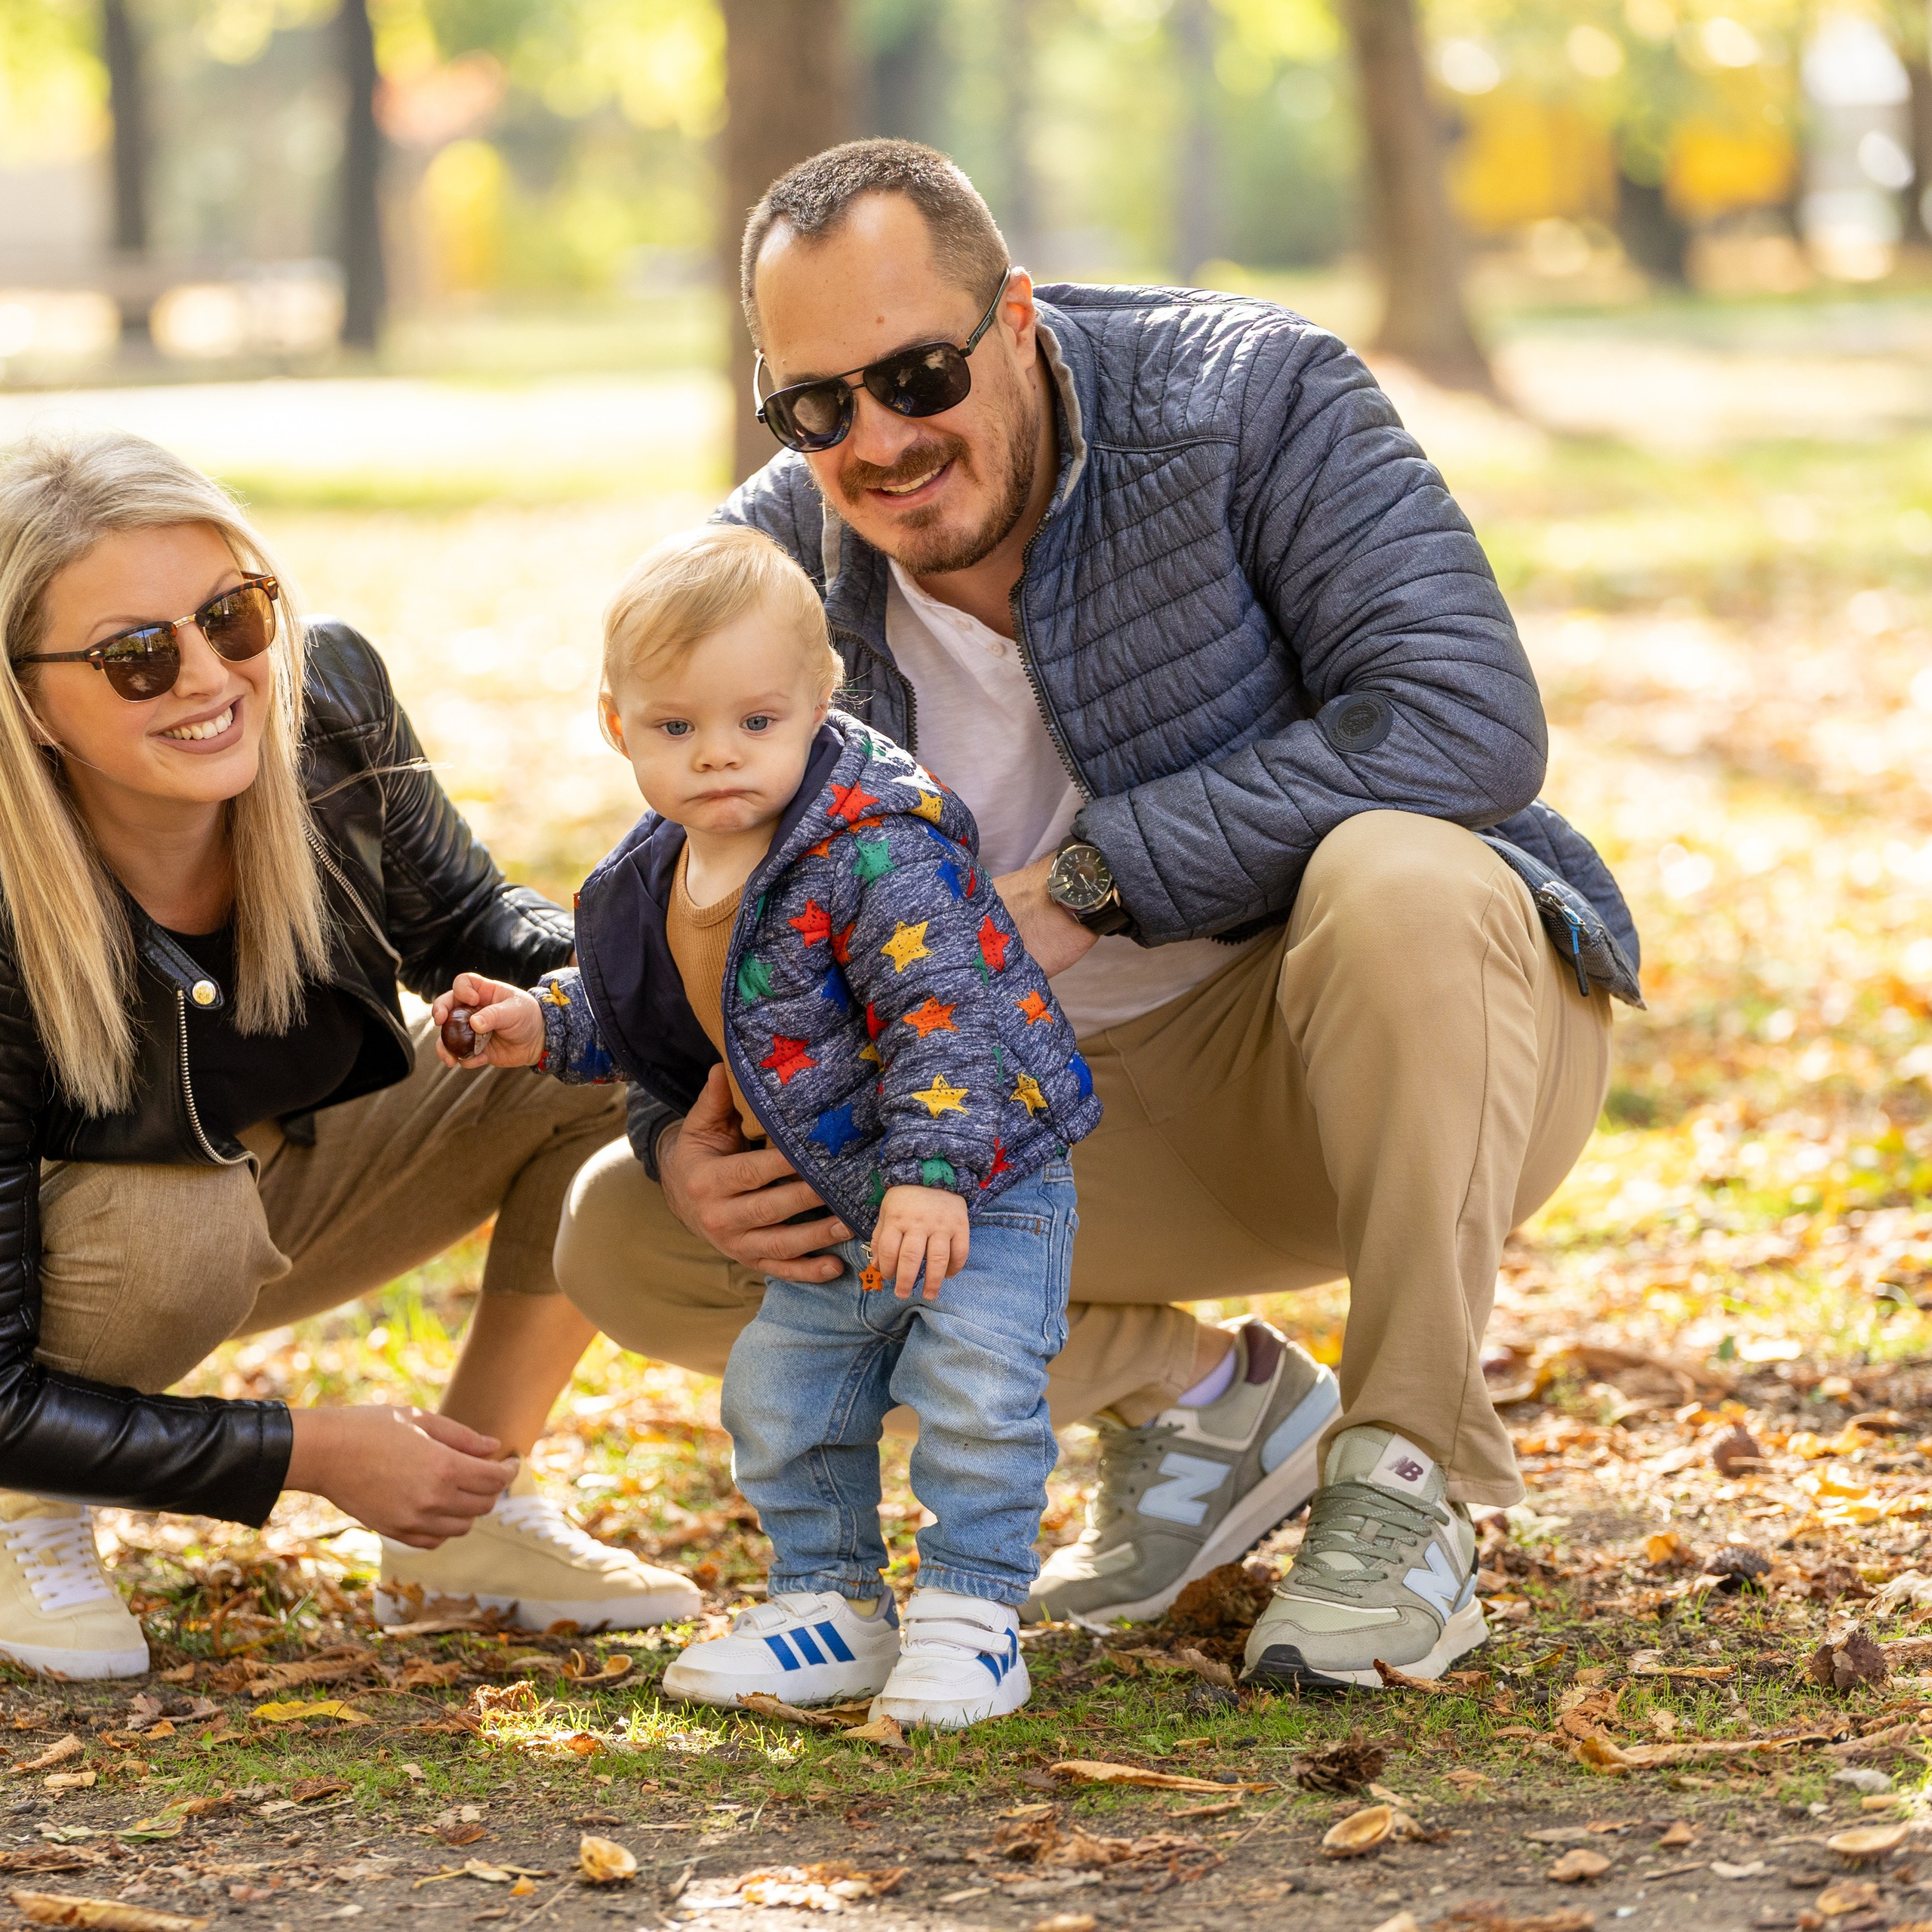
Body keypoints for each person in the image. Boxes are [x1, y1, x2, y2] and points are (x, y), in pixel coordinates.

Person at [555, 139, 1642, 1689]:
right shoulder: (771, 561)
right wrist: (673, 1131)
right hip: (1026, 1129)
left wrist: (1094, 882)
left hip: (1368, 1062)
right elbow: (679, 904)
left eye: (917, 375)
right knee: (632, 1232)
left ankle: (1406, 1482)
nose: (880, 441)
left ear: (1013, 316)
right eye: (818, 407)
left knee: (1404, 874)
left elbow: (1462, 717)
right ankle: (1206, 1400)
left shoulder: (1247, 395)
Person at [0, 429, 698, 1680]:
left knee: (605, 1036)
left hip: (263, 1186)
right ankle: (21, 1512)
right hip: (97, 1271)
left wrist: (665, 1002)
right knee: (183, 1222)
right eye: (137, 655)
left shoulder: (326, 704)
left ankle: (466, 1508)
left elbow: (473, 923)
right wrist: (308, 1453)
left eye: (233, 615)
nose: (210, 677)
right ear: (29, 699)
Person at [434, 525, 1097, 1728]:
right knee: (786, 1394)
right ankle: (831, 1602)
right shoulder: (660, 871)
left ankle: (972, 1615)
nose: (718, 755)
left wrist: (934, 1172)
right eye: (675, 727)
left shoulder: (877, 849)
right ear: (616, 724)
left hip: (977, 1175)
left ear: (819, 701)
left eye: (756, 720)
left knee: (975, 1390)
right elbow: (662, 1010)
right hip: (833, 1189)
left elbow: (944, 1015)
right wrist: (542, 1024)